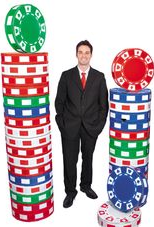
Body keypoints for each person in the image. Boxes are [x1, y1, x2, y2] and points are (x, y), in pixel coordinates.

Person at [55, 40, 108, 208]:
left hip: (91, 127)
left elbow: (103, 105)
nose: (83, 55)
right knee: (69, 160)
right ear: (76, 54)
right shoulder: (66, 75)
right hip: (69, 126)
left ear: (91, 55)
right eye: (80, 52)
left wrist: (99, 126)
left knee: (88, 158)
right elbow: (59, 102)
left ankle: (86, 186)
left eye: (87, 52)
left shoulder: (99, 77)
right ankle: (70, 192)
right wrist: (62, 124)